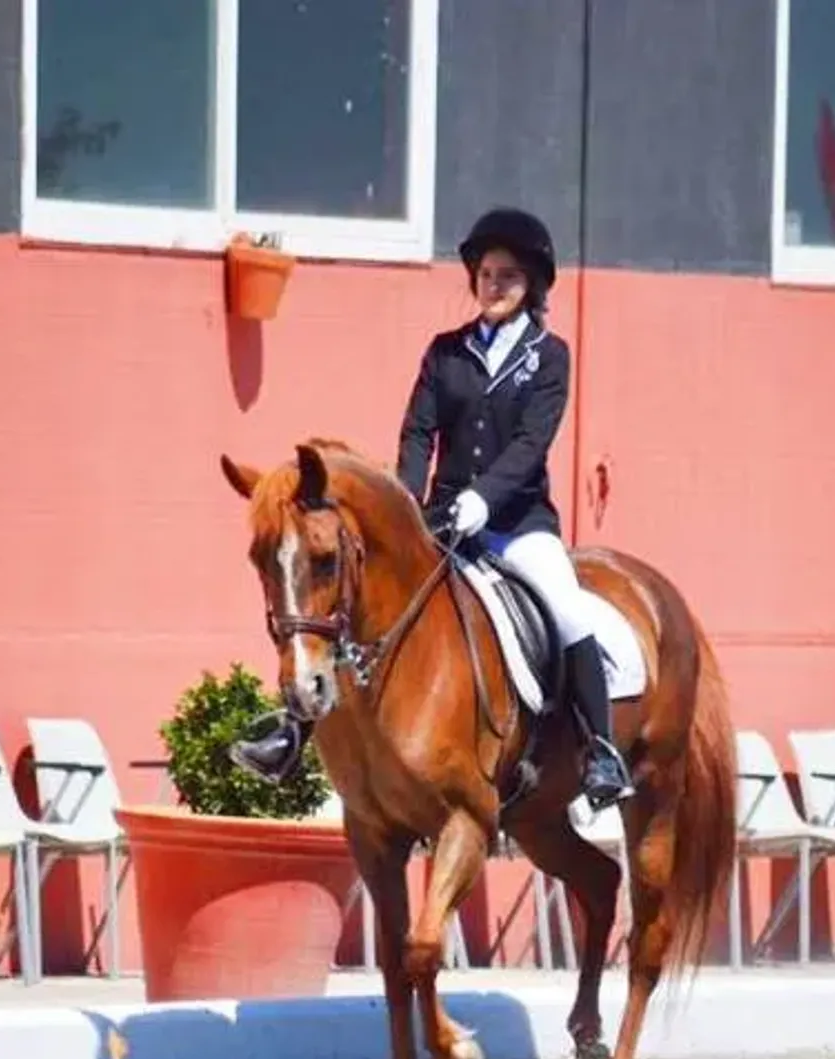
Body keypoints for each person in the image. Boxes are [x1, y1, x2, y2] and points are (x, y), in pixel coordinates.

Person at [231, 206, 634, 812]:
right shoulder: (446, 352)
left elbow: (531, 445)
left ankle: (601, 750)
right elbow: (419, 433)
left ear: (531, 286)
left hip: (517, 524)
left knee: (567, 606)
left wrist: (483, 499)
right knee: (353, 603)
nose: (494, 286)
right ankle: (293, 731)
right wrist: (408, 502)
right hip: (442, 521)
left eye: (508, 276)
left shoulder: (550, 357)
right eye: (487, 275)